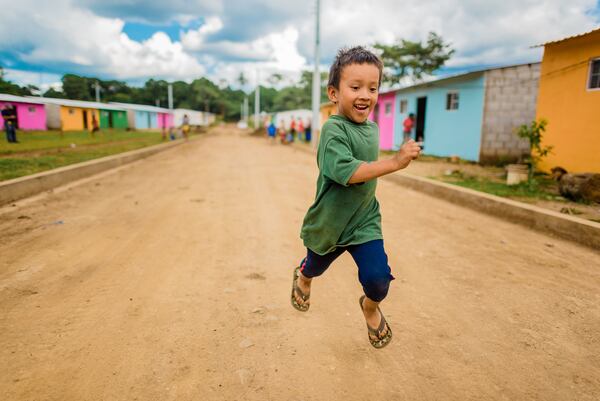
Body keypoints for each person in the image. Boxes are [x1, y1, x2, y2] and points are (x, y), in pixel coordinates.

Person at [290, 46, 421, 349]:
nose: (365, 95)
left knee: (378, 280)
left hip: (363, 220)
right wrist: (395, 163)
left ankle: (370, 306)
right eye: (355, 87)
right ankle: (304, 278)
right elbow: (347, 172)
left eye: (373, 88)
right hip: (330, 223)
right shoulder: (332, 131)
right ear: (334, 93)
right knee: (315, 266)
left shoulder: (372, 128)